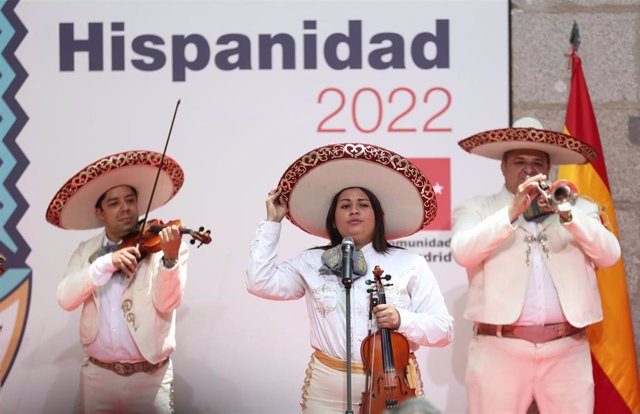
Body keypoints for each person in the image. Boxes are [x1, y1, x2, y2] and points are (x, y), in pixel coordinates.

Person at [246, 143, 454, 413]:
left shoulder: (411, 263)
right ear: (333, 220)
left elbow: (443, 330)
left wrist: (402, 319)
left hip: (393, 383)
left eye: (363, 205)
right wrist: (272, 223)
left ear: (377, 216)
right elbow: (259, 282)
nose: (354, 211)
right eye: (345, 206)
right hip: (327, 388)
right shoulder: (312, 261)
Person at [451, 118, 621, 414]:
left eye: (537, 162)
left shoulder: (580, 207)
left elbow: (609, 255)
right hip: (498, 350)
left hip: (567, 349)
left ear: (548, 169)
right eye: (519, 161)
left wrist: (568, 214)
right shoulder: (477, 208)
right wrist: (511, 212)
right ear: (503, 167)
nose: (529, 169)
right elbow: (463, 252)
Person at [46, 150, 189, 414]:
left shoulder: (162, 246)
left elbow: (167, 302)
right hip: (99, 377)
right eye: (114, 203)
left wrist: (169, 258)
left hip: (151, 379)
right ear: (100, 212)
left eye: (130, 200)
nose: (125, 208)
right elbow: (65, 298)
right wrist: (106, 262)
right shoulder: (85, 251)